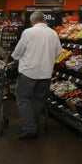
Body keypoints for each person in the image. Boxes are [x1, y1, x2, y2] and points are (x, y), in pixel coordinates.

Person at [10, 11, 62, 140]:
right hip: (45, 73)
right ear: (44, 20)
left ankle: (29, 128)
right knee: (38, 100)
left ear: (32, 21)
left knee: (23, 99)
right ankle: (33, 126)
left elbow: (18, 51)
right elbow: (58, 53)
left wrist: (15, 59)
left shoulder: (28, 32)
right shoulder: (53, 33)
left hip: (29, 72)